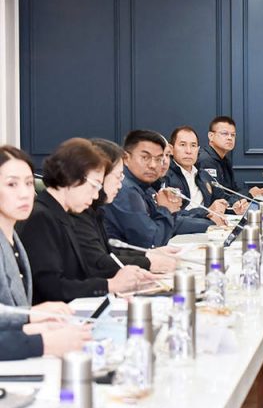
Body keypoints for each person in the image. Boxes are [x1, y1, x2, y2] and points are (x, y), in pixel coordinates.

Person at [18, 138, 152, 304]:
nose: (96, 195)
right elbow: (52, 288)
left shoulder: (61, 213)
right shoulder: (41, 218)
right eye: (95, 185)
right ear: (72, 177)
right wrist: (110, 285)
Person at [70, 139, 177, 277]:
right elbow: (97, 263)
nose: (120, 185)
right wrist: (148, 261)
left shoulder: (95, 210)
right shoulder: (79, 212)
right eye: (118, 176)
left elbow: (108, 252)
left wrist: (148, 254)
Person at [0, 145, 77, 327]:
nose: (24, 194)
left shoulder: (12, 237)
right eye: (12, 184)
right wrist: (30, 316)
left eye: (28, 183)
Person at [103, 130, 212, 248]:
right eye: (145, 157)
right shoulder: (124, 189)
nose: (153, 165)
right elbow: (151, 242)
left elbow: (166, 227)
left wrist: (210, 223)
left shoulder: (146, 188)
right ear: (126, 158)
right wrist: (166, 209)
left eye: (158, 159)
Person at [197, 115, 263, 213]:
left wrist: (255, 192)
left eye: (233, 135)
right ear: (211, 136)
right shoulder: (205, 160)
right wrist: (249, 195)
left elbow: (232, 190)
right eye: (225, 134)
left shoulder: (224, 159)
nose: (229, 138)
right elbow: (217, 197)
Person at [165, 126, 231, 224]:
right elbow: (171, 216)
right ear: (171, 149)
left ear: (198, 149)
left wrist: (235, 206)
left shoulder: (203, 174)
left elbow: (222, 197)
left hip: (208, 226)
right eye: (182, 145)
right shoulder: (165, 176)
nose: (188, 151)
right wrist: (205, 212)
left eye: (193, 145)